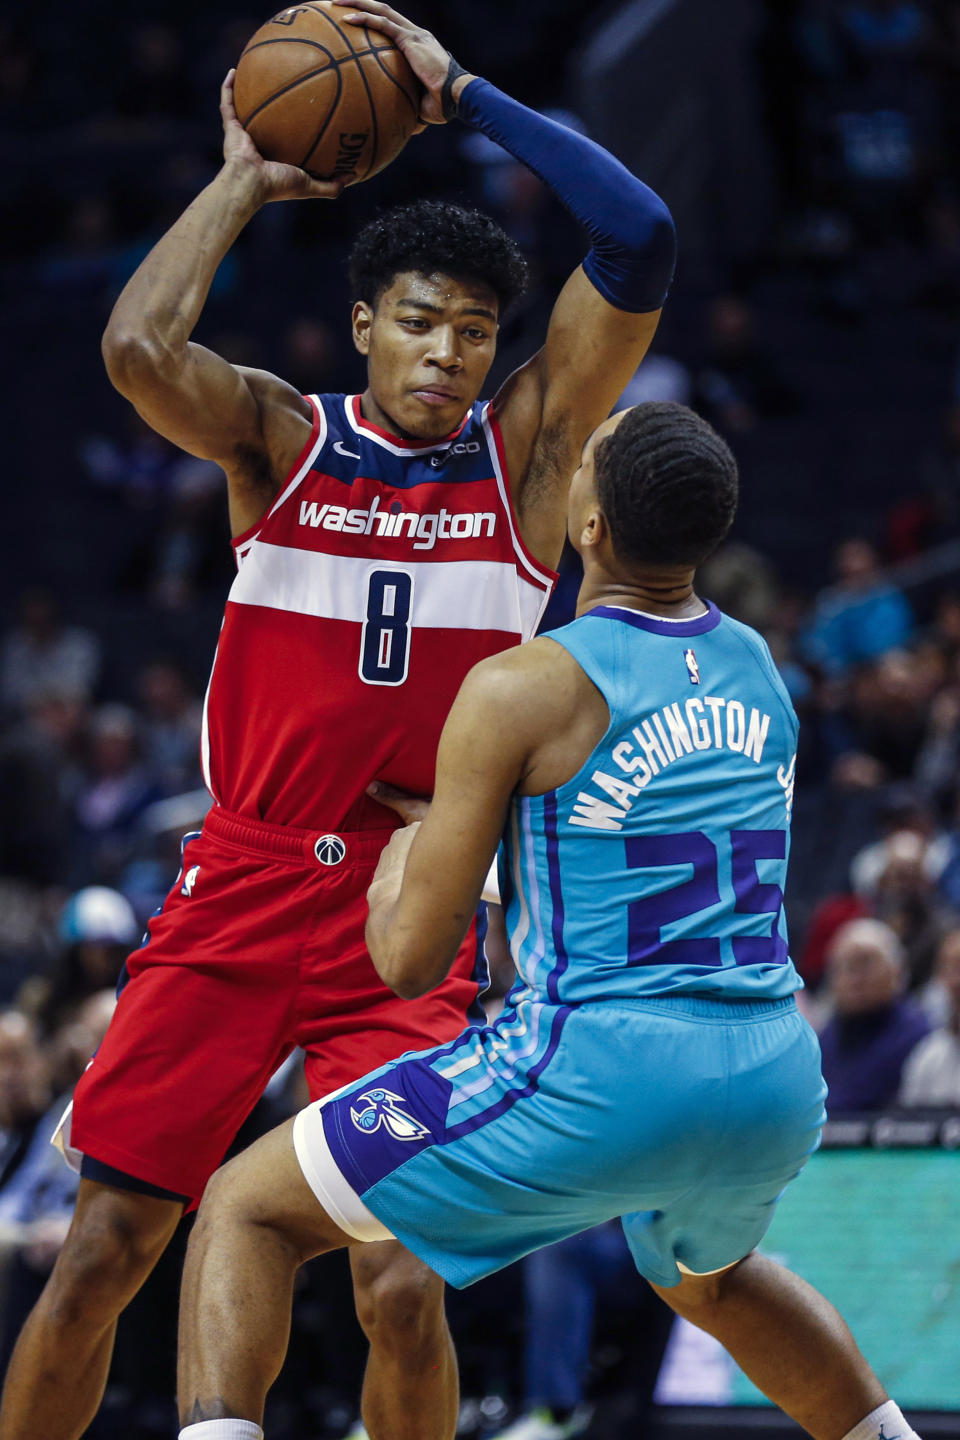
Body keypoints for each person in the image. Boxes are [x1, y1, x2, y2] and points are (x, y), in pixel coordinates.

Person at [0, 3, 677, 1438]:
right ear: (365, 324)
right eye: (419, 322)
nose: (446, 352)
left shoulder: (529, 457)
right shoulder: (280, 437)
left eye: (474, 331)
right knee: (104, 1255)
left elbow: (641, 240)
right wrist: (246, 176)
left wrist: (469, 98)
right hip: (242, 879)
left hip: (407, 909)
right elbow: (135, 347)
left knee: (402, 1283)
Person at [175, 401, 921, 1440]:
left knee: (245, 1211)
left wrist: (405, 865)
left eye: (588, 463)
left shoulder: (522, 686)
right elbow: (637, 834)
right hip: (770, 1076)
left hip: (600, 1072)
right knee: (715, 1281)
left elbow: (406, 961)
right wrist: (485, 840)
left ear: (592, 528)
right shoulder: (763, 670)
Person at [817, 917, 930, 1111]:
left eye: (865, 964)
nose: (855, 979)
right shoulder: (824, 1039)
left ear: (897, 970)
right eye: (844, 967)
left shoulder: (919, 1037)